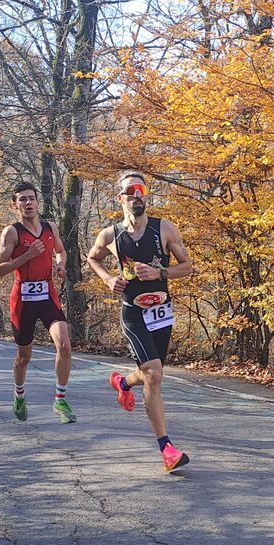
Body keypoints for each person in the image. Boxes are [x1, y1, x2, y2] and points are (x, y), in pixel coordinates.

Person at [85, 171, 194, 472]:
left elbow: (187, 266)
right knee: (155, 374)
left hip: (161, 311)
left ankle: (122, 381)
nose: (137, 195)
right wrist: (107, 278)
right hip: (133, 312)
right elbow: (92, 258)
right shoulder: (111, 236)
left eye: (141, 190)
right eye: (130, 191)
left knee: (149, 373)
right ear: (119, 198)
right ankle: (167, 449)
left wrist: (160, 273)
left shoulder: (164, 229)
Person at [0, 182, 76, 423]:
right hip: (22, 300)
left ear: (38, 202)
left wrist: (60, 264)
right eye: (22, 199)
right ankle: (19, 393)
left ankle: (60, 400)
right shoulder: (12, 232)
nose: (28, 203)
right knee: (24, 356)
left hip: (47, 295)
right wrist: (27, 255)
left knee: (64, 345)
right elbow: (0, 269)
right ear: (15, 205)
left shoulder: (50, 227)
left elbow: (60, 250)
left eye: (31, 198)